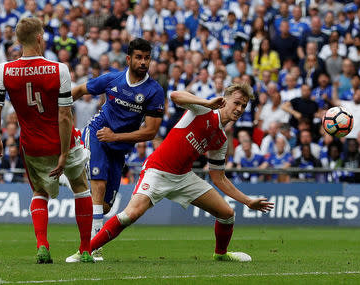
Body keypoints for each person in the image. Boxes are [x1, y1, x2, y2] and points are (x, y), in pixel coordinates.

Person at [83, 84, 273, 262]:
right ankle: (85, 251)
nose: (239, 109)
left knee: (227, 213)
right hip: (158, 170)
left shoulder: (221, 140)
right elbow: (175, 96)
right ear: (225, 99)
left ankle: (220, 254)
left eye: (244, 106)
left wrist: (248, 201)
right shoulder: (204, 110)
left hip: (183, 178)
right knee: (129, 215)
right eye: (237, 102)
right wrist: (206, 102)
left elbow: (219, 177)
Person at [0, 17, 94, 264]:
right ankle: (86, 249)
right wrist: (64, 153)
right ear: (38, 38)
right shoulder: (60, 69)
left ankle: (43, 246)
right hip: (61, 142)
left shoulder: (3, 71)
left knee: (39, 190)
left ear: (17, 39)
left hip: (32, 145)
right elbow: (65, 116)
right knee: (80, 187)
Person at [69, 38, 164, 261]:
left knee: (105, 206)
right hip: (98, 133)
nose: (143, 62)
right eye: (139, 57)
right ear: (129, 59)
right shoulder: (113, 78)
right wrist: (57, 105)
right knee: (99, 185)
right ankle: (91, 248)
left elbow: (150, 132)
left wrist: (116, 137)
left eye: (147, 58)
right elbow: (81, 89)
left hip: (119, 146)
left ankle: (73, 184)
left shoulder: (154, 91)